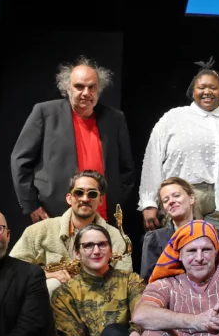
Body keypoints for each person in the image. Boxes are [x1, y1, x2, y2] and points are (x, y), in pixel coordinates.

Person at [11, 57, 135, 223]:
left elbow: (126, 170)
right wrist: (31, 205)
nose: (86, 93)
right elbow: (20, 161)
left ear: (99, 90)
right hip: (55, 214)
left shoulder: (115, 118)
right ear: (67, 88)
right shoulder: (45, 113)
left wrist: (117, 201)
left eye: (92, 87)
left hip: (103, 217)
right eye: (79, 86)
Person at [139, 60, 219, 236]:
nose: (207, 91)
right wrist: (149, 202)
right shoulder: (173, 118)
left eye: (213, 87)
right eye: (202, 87)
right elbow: (152, 160)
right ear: (193, 91)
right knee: (186, 255)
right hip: (184, 198)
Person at [11, 170, 131, 297]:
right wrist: (47, 275)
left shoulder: (115, 236)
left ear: (100, 200)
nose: (85, 199)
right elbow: (12, 272)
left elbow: (125, 281)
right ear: (69, 198)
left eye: (92, 194)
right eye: (79, 193)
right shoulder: (38, 231)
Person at [139, 177, 219, 280]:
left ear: (191, 198)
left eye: (176, 196)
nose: (171, 201)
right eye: (166, 200)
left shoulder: (212, 233)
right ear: (164, 209)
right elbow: (148, 281)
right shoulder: (155, 238)